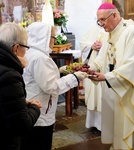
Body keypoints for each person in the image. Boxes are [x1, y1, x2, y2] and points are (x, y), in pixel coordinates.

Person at [21, 22, 88, 150]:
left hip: (33, 105)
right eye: (52, 37)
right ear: (44, 37)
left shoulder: (31, 52)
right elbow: (51, 87)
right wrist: (74, 77)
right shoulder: (40, 58)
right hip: (40, 110)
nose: (54, 40)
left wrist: (60, 70)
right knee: (40, 143)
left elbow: (41, 77)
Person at [88, 2, 134, 150]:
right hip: (112, 87)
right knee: (115, 122)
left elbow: (131, 65)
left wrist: (106, 77)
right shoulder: (108, 34)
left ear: (115, 15)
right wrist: (89, 69)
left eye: (103, 20)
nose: (101, 25)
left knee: (127, 121)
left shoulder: (133, 32)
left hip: (127, 89)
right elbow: (101, 60)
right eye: (99, 21)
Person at [0, 22, 42, 150]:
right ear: (16, 48)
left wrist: (20, 103)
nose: (26, 51)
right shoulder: (9, 76)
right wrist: (35, 107)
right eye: (26, 47)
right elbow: (20, 125)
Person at [80, 24, 107, 134]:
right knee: (93, 95)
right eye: (99, 19)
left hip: (105, 68)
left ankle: (105, 125)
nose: (101, 22)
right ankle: (93, 123)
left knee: (103, 95)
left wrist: (104, 46)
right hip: (93, 64)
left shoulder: (114, 30)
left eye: (103, 19)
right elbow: (82, 44)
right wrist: (91, 46)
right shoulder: (91, 28)